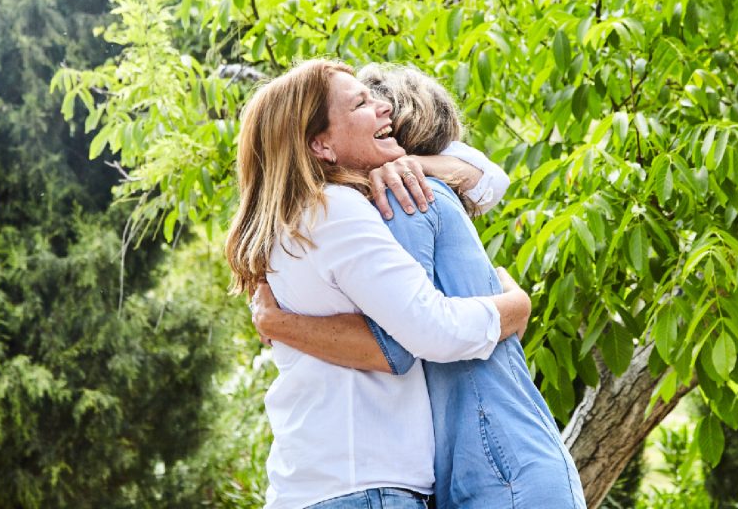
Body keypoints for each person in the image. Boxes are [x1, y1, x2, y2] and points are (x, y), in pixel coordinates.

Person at [250, 64, 586, 508]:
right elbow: (416, 338)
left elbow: (487, 179)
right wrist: (516, 307)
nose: (379, 108)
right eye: (361, 103)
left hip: (472, 469)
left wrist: (280, 323)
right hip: (396, 477)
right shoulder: (369, 206)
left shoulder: (367, 204)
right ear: (321, 143)